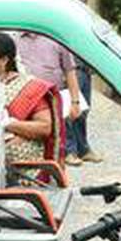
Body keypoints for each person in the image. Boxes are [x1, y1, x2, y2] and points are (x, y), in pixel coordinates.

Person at [0, 33, 64, 185]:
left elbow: (45, 127)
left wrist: (7, 124)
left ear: (4, 60)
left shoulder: (28, 87)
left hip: (23, 173)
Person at [15, 30, 84, 164]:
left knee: (56, 140)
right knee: (26, 139)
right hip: (25, 101)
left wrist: (75, 102)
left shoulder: (56, 39)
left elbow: (70, 72)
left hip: (52, 100)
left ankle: (56, 171)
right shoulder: (15, 40)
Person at [64, 0, 101, 163]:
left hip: (85, 71)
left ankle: (83, 149)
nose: (85, 0)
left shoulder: (86, 21)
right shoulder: (66, 21)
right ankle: (70, 151)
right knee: (72, 111)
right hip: (73, 70)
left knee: (84, 112)